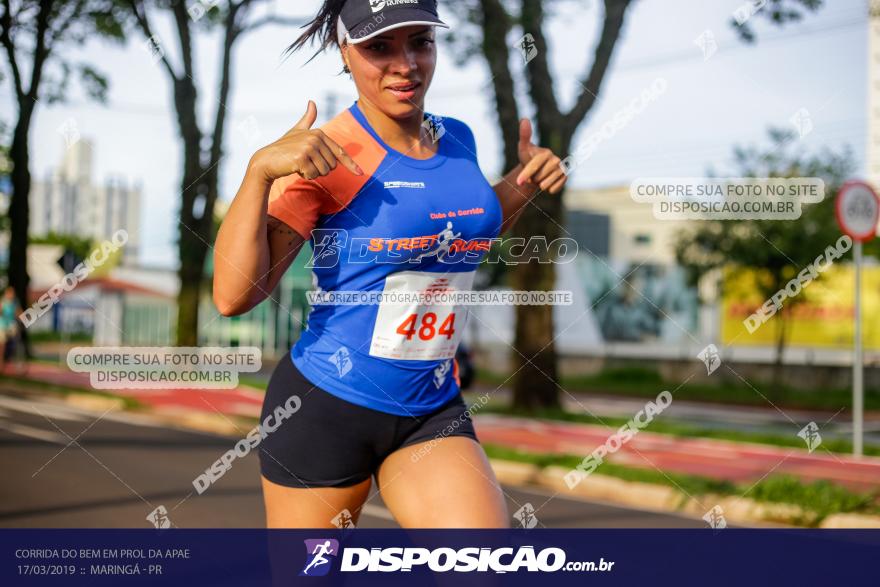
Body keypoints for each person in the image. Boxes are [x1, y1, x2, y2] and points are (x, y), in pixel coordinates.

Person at [213, 0, 568, 529]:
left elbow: (463, 233)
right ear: (346, 52)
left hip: (431, 407)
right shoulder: (325, 153)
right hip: (326, 406)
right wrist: (259, 172)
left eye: (420, 42)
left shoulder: (457, 138)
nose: (405, 64)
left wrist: (523, 183)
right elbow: (235, 296)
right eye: (380, 47)